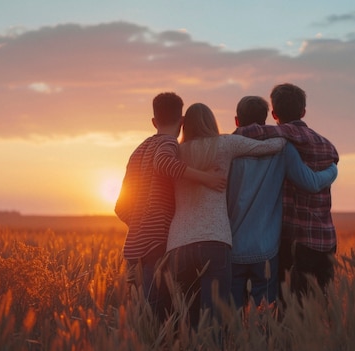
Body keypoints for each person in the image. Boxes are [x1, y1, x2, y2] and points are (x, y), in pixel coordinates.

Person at [166, 102, 285, 327]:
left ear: (185, 125)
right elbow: (272, 146)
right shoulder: (225, 144)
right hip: (214, 241)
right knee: (214, 319)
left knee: (187, 318)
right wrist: (285, 129)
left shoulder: (176, 152)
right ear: (212, 122)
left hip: (178, 244)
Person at [114, 92, 226, 320]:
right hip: (159, 242)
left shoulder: (138, 151)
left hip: (136, 244)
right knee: (164, 313)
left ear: (154, 122)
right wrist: (207, 178)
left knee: (149, 313)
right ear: (182, 121)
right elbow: (164, 163)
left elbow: (120, 206)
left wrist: (139, 222)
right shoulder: (168, 143)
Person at [227, 96, 338, 309]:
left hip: (233, 246)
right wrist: (333, 170)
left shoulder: (227, 148)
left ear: (236, 120)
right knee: (266, 316)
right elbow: (310, 181)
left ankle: (235, 343)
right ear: (267, 118)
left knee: (231, 315)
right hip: (267, 248)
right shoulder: (281, 148)